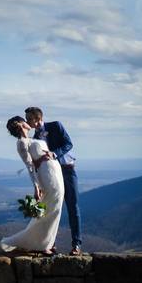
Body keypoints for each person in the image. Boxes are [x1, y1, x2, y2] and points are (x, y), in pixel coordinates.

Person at [0, 116, 64, 255]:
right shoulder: (22, 143)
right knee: (50, 210)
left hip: (55, 171)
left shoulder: (33, 138)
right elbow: (30, 166)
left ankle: (47, 242)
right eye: (25, 121)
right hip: (47, 176)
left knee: (56, 208)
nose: (28, 123)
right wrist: (36, 186)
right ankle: (42, 244)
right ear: (21, 124)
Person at [25, 106, 82, 256]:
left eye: (29, 118)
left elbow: (69, 144)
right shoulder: (34, 138)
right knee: (50, 208)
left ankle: (76, 244)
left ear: (37, 118)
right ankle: (50, 244)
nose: (27, 121)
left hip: (67, 170)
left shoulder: (56, 125)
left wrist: (54, 154)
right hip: (50, 175)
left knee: (72, 207)